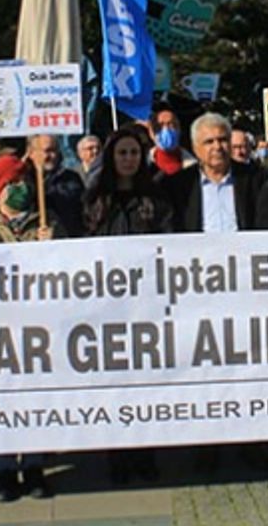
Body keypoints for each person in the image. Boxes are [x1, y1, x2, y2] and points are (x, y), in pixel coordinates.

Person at [0, 155, 59, 501]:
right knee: (1, 400)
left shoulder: (45, 221)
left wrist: (52, 246)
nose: (21, 187)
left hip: (35, 327)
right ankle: (4, 471)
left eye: (24, 180)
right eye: (12, 182)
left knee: (32, 399)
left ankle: (33, 467)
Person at [81, 127, 171, 483]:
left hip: (146, 304)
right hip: (108, 306)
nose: (129, 159)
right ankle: (117, 457)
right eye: (122, 153)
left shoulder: (157, 198)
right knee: (115, 384)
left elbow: (170, 243)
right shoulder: (94, 200)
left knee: (145, 383)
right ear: (111, 157)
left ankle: (145, 456)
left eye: (134, 152)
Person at [164, 112, 261, 233]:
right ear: (195, 148)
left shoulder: (254, 178)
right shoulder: (180, 184)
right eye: (209, 142)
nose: (217, 147)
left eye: (223, 140)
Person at [26, 134, 86, 237]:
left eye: (54, 150)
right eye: (47, 151)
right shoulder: (23, 180)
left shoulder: (71, 178)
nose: (52, 156)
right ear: (31, 153)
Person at [149, 103, 197, 176]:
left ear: (179, 129)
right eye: (159, 126)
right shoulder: (140, 163)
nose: (166, 129)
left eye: (171, 125)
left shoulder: (194, 167)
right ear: (151, 133)